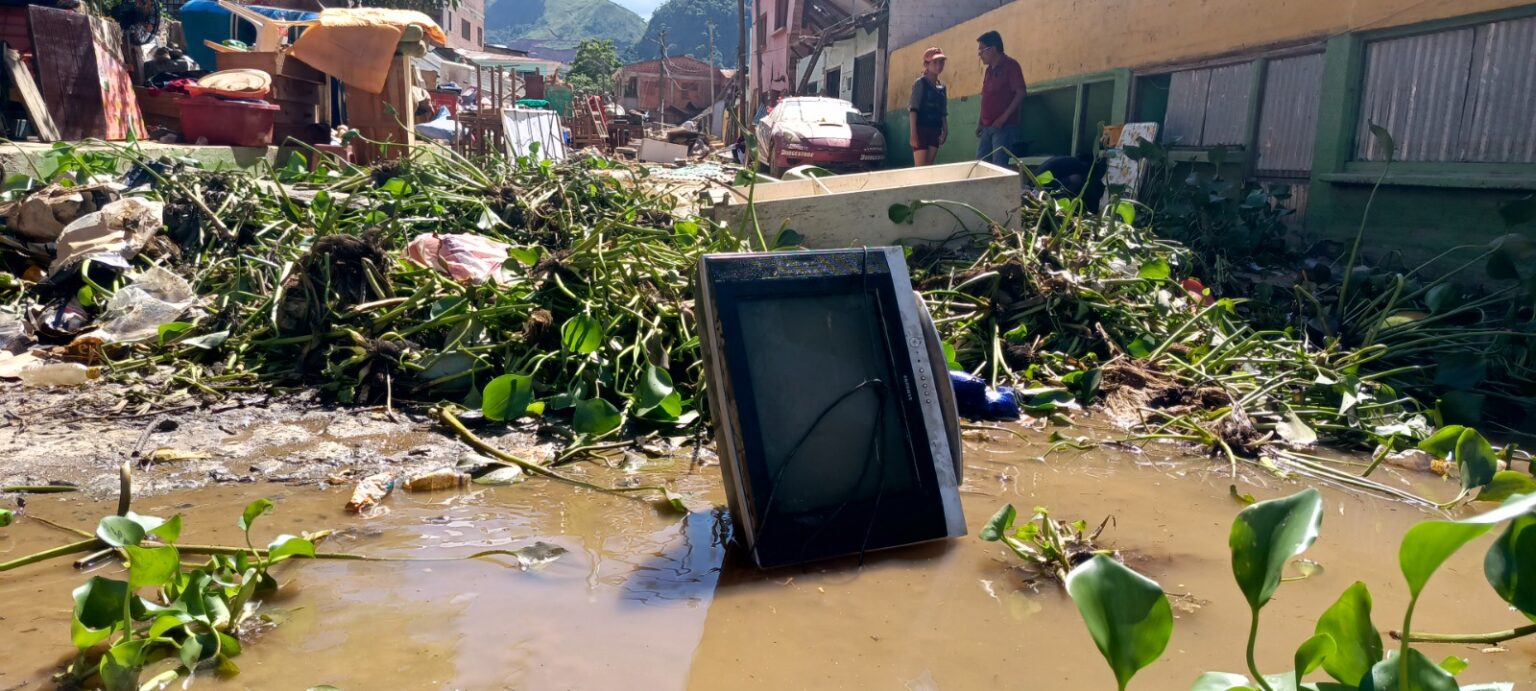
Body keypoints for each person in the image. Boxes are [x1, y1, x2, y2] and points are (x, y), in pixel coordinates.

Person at [975, 31, 1027, 167]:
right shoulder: (988, 71)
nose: (980, 55)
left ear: (993, 49)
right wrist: (980, 121)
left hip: (1004, 127)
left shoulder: (1011, 66)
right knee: (980, 165)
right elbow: (985, 97)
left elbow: (1021, 93)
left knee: (999, 167)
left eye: (982, 51)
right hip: (986, 126)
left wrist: (1003, 118)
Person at [908, 47, 948, 167]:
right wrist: (913, 133)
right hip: (921, 129)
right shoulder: (920, 83)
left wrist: (945, 130)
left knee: (929, 166)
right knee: (920, 168)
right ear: (926, 64)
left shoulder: (942, 88)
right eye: (935, 62)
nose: (939, 65)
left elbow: (943, 112)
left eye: (941, 62)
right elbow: (913, 109)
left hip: (935, 130)